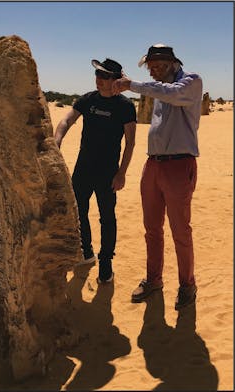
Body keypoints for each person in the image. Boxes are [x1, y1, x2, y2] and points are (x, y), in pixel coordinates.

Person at [112, 44, 202, 310]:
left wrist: (132, 85)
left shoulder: (190, 82)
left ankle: (187, 285)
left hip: (179, 165)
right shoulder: (160, 89)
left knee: (180, 231)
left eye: (155, 67)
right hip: (153, 166)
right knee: (152, 229)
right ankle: (154, 280)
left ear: (171, 63)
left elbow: (171, 93)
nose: (152, 72)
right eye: (149, 68)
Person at [55, 58, 137, 284]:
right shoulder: (88, 100)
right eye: (98, 75)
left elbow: (130, 142)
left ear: (116, 80)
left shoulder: (125, 106)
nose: (99, 80)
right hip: (83, 168)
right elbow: (67, 120)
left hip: (108, 172)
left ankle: (106, 263)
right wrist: (57, 140)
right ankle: (86, 251)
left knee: (107, 217)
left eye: (105, 76)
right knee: (79, 211)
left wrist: (121, 173)